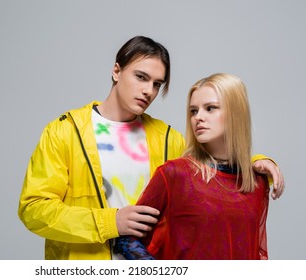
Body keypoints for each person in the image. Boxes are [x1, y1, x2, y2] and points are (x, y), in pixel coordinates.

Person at [18, 36, 284, 260]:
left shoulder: (168, 138)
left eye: (157, 84)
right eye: (141, 77)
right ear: (116, 71)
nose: (148, 91)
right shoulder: (65, 131)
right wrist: (111, 222)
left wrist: (256, 161)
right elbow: (33, 209)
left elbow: (213, 164)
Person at [115, 73, 275, 260]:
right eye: (193, 111)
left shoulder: (257, 182)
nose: (198, 117)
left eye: (210, 108)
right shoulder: (175, 174)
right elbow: (127, 239)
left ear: (235, 113)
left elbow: (256, 252)